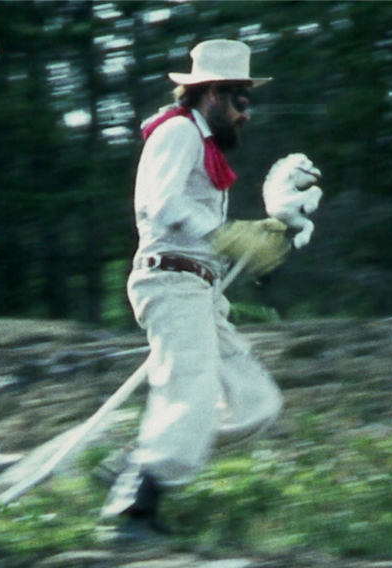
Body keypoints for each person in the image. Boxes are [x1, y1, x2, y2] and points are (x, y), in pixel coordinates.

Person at [98, 39, 291, 544]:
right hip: (170, 282)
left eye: (248, 101)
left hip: (200, 290)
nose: (246, 113)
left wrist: (251, 241)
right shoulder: (179, 132)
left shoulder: (202, 144)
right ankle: (133, 510)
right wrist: (225, 235)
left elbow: (199, 225)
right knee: (190, 393)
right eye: (239, 101)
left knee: (256, 404)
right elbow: (158, 205)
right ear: (210, 95)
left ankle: (140, 461)